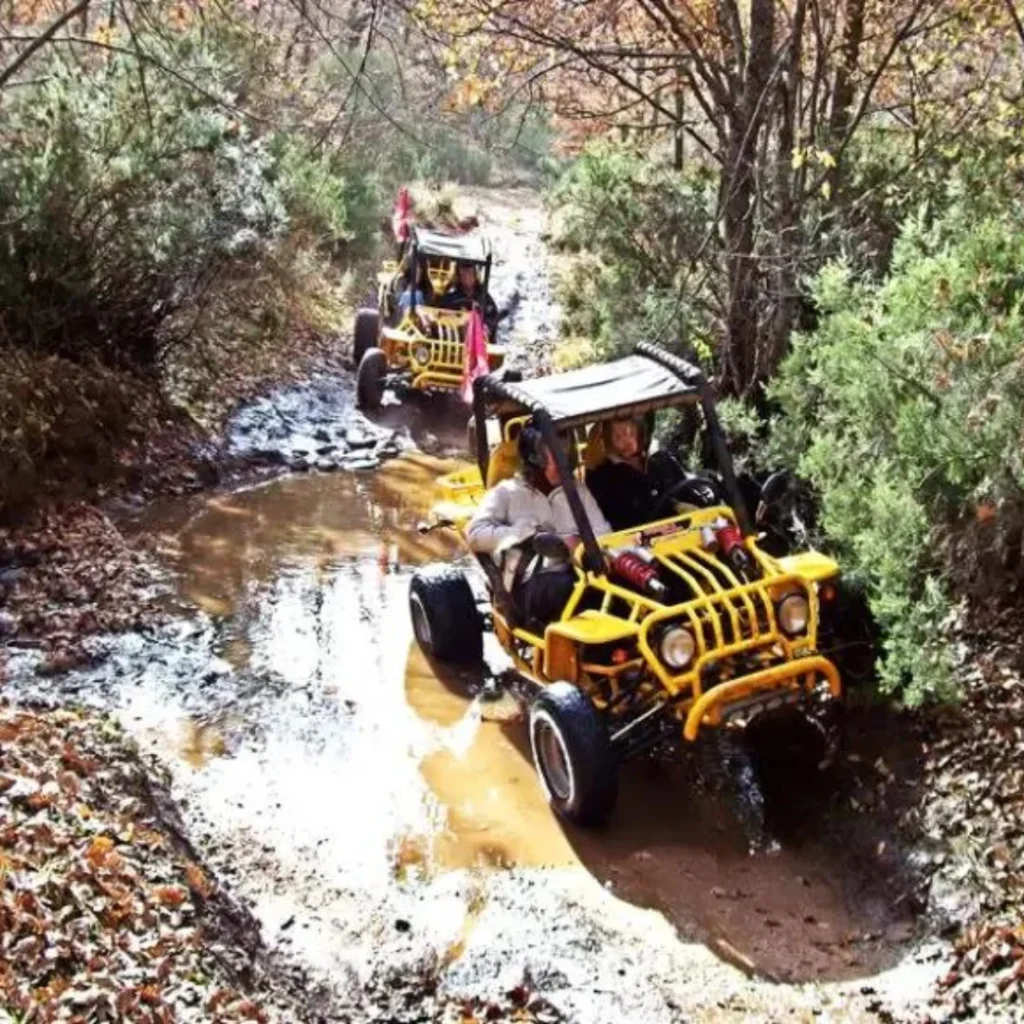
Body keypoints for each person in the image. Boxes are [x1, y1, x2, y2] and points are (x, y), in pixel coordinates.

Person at [467, 421, 610, 626]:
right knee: (569, 589)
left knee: (615, 586)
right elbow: (474, 534)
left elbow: (604, 534)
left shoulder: (577, 491)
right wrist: (530, 534)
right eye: (555, 455)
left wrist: (583, 546)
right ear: (535, 459)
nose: (563, 462)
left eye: (565, 453)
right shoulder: (507, 492)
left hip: (577, 573)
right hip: (528, 583)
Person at [439, 261, 499, 337]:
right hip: (454, 335)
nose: (466, 278)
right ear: (458, 276)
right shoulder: (451, 296)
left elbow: (492, 316)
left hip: (478, 337)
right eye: (463, 275)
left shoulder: (484, 297)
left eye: (469, 273)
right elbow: (441, 313)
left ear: (475, 274)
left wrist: (486, 328)